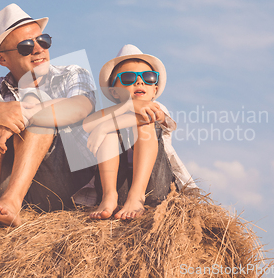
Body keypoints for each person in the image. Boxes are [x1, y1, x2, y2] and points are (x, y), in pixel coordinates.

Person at [0, 4, 96, 231]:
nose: (38, 49)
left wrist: (20, 116)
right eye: (26, 46)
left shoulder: (71, 73)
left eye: (43, 41)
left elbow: (81, 106)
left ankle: (11, 202)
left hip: (67, 183)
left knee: (41, 118)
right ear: (2, 59)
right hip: (10, 183)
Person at [83, 44, 196, 220]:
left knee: (144, 122)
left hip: (155, 185)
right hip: (118, 186)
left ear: (155, 90)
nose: (139, 81)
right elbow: (87, 123)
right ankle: (109, 197)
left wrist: (105, 125)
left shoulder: (157, 107)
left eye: (148, 77)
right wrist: (126, 107)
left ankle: (137, 197)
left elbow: (154, 117)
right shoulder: (111, 112)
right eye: (128, 77)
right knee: (109, 127)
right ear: (114, 91)